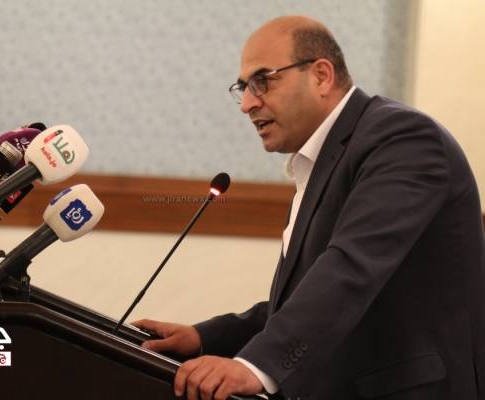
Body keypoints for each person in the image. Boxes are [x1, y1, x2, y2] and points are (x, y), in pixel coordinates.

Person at [133, 15, 485, 400]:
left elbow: (351, 269)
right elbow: (300, 299)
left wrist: (257, 365)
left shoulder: (404, 140)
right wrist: (205, 338)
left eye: (262, 81)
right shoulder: (320, 162)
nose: (247, 104)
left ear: (321, 76)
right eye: (243, 87)